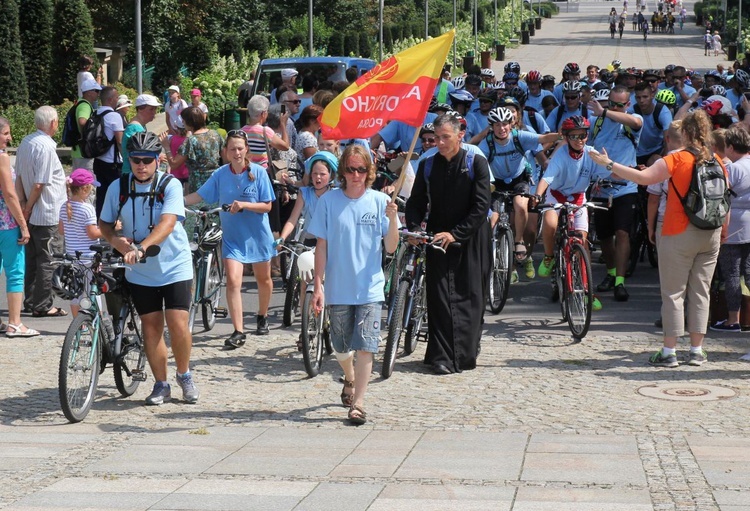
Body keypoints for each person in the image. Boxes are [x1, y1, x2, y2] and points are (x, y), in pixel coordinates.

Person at [589, 110, 725, 367]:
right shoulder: (715, 159)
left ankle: (669, 352)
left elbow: (642, 178)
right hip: (711, 232)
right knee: (700, 292)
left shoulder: (676, 158)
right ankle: (697, 351)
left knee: (673, 293)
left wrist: (607, 164)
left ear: (683, 133)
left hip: (678, 230)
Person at [99, 131, 199, 404]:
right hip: (141, 271)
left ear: (158, 160)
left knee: (178, 324)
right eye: (135, 160)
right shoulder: (117, 187)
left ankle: (184, 374)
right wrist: (119, 244)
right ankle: (161, 384)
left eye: (147, 160)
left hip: (174, 264)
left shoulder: (171, 185)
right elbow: (105, 224)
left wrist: (141, 248)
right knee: (151, 326)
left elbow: (168, 223)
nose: (141, 165)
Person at [309, 144, 399, 425]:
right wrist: (319, 285)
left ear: (369, 171)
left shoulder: (378, 202)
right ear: (343, 171)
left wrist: (393, 218)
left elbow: (392, 247)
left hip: (370, 287)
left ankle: (358, 403)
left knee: (366, 346)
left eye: (362, 169)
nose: (356, 174)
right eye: (351, 169)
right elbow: (321, 246)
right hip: (338, 287)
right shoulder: (329, 202)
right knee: (340, 345)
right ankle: (348, 376)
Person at [405, 113, 492, 375]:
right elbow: (417, 201)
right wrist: (413, 226)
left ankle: (465, 353)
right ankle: (441, 355)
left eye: (446, 137)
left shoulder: (476, 162)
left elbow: (481, 206)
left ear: (460, 135)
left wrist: (457, 234)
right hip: (437, 236)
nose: (440, 143)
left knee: (470, 297)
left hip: (471, 237)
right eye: (437, 138)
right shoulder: (428, 164)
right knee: (440, 296)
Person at [184, 131, 276, 345]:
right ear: (225, 151)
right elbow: (199, 195)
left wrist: (244, 205)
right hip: (233, 237)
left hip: (258, 236)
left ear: (246, 150)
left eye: (240, 148)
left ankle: (262, 315)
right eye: (232, 149)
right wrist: (176, 200)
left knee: (264, 280)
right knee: (233, 281)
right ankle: (238, 331)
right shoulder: (220, 174)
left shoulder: (259, 173)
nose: (236, 153)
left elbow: (267, 206)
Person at [532, 116, 611, 312]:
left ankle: (587, 290)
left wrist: (611, 165)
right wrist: (537, 195)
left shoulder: (591, 153)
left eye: (582, 135)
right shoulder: (560, 156)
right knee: (550, 223)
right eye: (574, 136)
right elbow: (546, 179)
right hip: (556, 195)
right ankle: (550, 256)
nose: (579, 140)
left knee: (583, 243)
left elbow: (611, 171)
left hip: (577, 198)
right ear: (566, 138)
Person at [587, 86, 643, 302]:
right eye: (612, 103)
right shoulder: (596, 122)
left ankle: (620, 281)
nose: (616, 108)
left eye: (621, 105)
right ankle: (610, 273)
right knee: (604, 237)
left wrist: (605, 111)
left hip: (625, 188)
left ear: (628, 105)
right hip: (600, 187)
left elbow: (636, 123)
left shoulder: (632, 120)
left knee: (622, 234)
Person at [15, 106, 67, 318]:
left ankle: (31, 301)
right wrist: (27, 207)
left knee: (33, 259)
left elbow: (18, 178)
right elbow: (40, 183)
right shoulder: (46, 147)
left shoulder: (26, 142)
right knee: (48, 259)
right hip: (46, 211)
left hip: (33, 210)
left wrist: (23, 205)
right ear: (53, 123)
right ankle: (43, 304)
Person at [710, 126, 750, 332]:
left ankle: (733, 319)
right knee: (748, 273)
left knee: (732, 274)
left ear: (731, 147)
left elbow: (720, 194)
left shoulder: (734, 168)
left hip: (734, 225)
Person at [0, 117, 36, 337]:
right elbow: (9, 194)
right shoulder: (2, 158)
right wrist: (23, 225)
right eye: (5, 134)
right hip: (6, 223)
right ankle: (15, 322)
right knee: (15, 271)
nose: (9, 138)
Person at [58, 168, 102, 316]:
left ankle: (77, 323)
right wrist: (110, 229)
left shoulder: (64, 207)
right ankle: (97, 318)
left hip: (72, 256)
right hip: (89, 257)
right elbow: (92, 234)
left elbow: (62, 230)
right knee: (92, 290)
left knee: (76, 291)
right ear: (85, 189)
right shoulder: (87, 209)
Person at [162, 106, 223, 194]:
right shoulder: (216, 134)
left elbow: (174, 164)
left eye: (184, 120)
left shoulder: (191, 140)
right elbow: (226, 158)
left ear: (190, 122)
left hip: (197, 186)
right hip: (215, 182)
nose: (182, 122)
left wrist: (166, 147)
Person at [92, 86, 125, 218]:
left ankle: (101, 221)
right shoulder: (114, 116)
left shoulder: (95, 113)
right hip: (112, 162)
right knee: (116, 193)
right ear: (111, 99)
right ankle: (114, 222)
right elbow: (120, 141)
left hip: (98, 160)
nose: (117, 100)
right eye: (117, 97)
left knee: (101, 194)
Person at [122, 94, 161, 175]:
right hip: (133, 174)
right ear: (140, 109)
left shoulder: (140, 125)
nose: (154, 112)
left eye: (155, 109)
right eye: (151, 109)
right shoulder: (135, 128)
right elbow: (141, 153)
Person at [70, 79, 102, 172]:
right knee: (87, 183)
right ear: (88, 92)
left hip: (78, 151)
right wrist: (91, 133)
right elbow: (82, 121)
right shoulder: (85, 106)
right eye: (96, 91)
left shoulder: (80, 103)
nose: (98, 94)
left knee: (79, 182)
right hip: (84, 152)